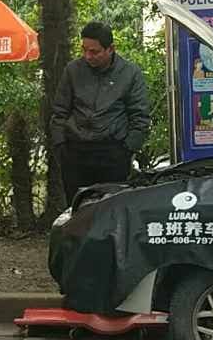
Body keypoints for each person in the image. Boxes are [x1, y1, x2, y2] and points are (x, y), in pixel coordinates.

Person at [50, 21, 151, 205]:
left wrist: (127, 150)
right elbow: (59, 112)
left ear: (110, 49)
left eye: (94, 51)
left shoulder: (129, 73)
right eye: (84, 50)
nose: (88, 56)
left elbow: (140, 117)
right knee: (78, 213)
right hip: (76, 153)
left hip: (113, 153)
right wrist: (61, 147)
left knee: (112, 212)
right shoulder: (73, 71)